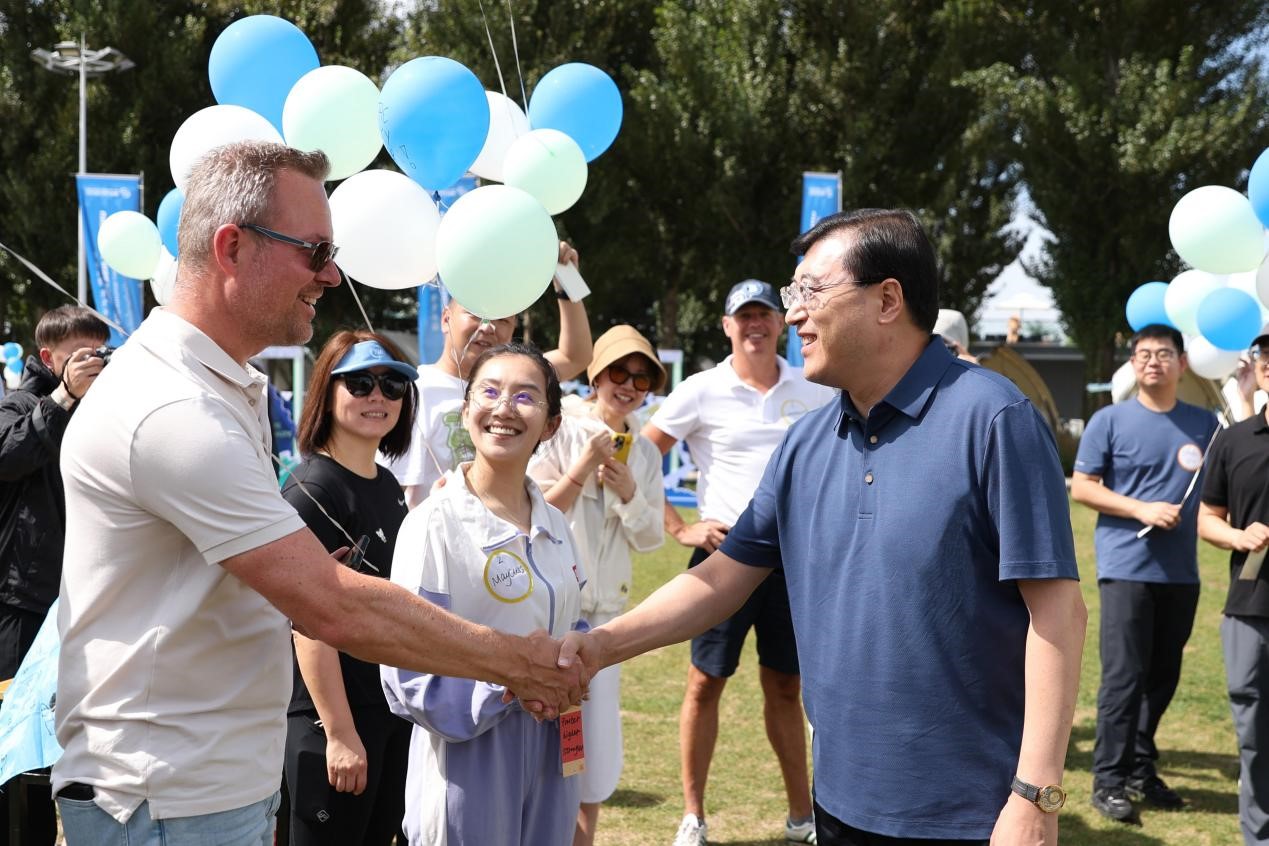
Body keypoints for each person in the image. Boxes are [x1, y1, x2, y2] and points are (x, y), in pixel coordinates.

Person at [52, 141, 585, 845]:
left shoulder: (217, 387)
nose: (331, 274)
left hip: (195, 788)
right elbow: (326, 602)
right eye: (314, 250)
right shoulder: (171, 406)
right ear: (233, 247)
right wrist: (519, 665)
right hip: (164, 799)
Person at [559, 208, 1087, 845]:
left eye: (810, 290)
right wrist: (599, 648)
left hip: (971, 813)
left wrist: (1036, 795)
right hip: (838, 803)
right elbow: (723, 579)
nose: (795, 314)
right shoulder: (805, 442)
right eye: (792, 295)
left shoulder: (995, 419)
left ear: (888, 299)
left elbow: (1058, 613)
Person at [641, 279, 832, 846]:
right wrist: (680, 527)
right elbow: (639, 459)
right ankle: (693, 816)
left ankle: (802, 817)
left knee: (785, 688)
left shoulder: (815, 386)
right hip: (721, 559)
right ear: (726, 325)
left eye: (765, 315)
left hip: (793, 564)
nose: (755, 324)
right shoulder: (700, 389)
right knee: (705, 685)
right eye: (743, 315)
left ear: (781, 324)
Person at [382, 342, 585, 845]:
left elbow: (576, 623)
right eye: (489, 392)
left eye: (525, 396)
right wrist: (512, 686)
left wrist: (569, 672)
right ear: (466, 410)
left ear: (551, 424)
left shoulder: (557, 524)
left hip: (554, 744)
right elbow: (405, 666)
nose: (503, 408)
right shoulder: (433, 523)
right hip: (467, 756)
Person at [1071, 324, 1217, 822]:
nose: (1153, 361)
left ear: (1182, 363)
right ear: (1133, 364)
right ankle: (1108, 781)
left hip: (1182, 574)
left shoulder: (1206, 425)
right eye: (1143, 354)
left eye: (1164, 354)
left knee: (1163, 677)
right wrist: (1141, 509)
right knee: (1123, 678)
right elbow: (1083, 488)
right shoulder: (1108, 420)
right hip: (1127, 567)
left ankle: (1140, 767)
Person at [528, 325, 667, 846]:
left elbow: (653, 539)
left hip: (607, 623)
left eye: (641, 378)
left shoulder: (646, 453)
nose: (628, 386)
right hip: (550, 612)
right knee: (541, 746)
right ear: (595, 373)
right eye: (618, 372)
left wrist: (631, 494)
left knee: (592, 756)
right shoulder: (560, 429)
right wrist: (585, 467)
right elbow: (536, 514)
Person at [281, 331, 420, 845]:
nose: (377, 397)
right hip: (330, 721)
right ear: (327, 391)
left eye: (393, 385)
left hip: (387, 712)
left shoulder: (387, 485)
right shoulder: (312, 490)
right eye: (359, 382)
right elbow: (308, 622)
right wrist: (339, 732)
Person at [0, 305, 109, 844]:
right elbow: (7, 454)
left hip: (85, 597)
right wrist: (64, 396)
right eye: (82, 357)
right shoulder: (20, 404)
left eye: (102, 355)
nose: (95, 367)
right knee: (22, 748)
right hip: (23, 602)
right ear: (49, 358)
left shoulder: (108, 407)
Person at [385, 244, 592, 508]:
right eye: (474, 313)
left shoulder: (521, 379)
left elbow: (577, 356)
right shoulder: (413, 390)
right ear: (446, 319)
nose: (488, 327)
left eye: (502, 319)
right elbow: (395, 489)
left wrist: (567, 278)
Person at [1198, 331, 1269, 846]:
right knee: (1255, 737)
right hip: (1249, 607)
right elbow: (1206, 518)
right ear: (1260, 370)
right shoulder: (1235, 440)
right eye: (1267, 358)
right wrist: (1238, 536)